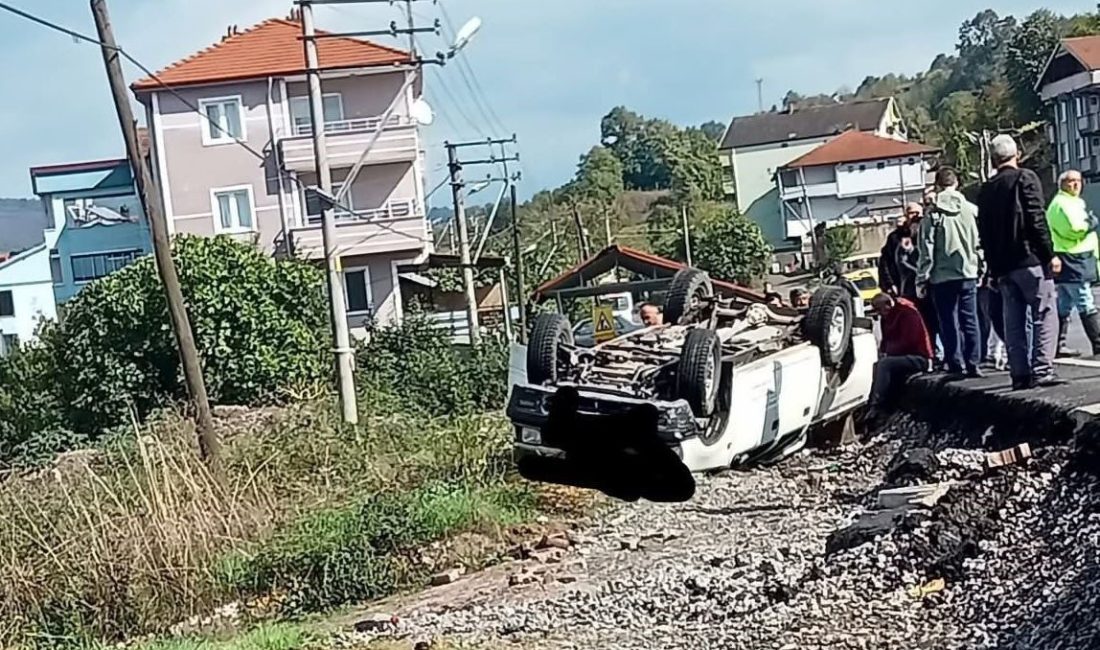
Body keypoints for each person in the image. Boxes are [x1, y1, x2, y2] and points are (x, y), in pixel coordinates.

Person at [976, 135, 1062, 390]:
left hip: (1002, 265)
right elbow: (1036, 219)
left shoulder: (987, 189)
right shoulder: (1025, 178)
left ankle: (1020, 373)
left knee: (1012, 321)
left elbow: (985, 233)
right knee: (1044, 313)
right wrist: (1049, 254)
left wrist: (992, 268)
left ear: (993, 160)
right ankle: (1043, 369)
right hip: (1029, 259)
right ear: (1017, 155)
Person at [917, 167, 983, 377]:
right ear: (957, 183)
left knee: (948, 320)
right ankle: (974, 362)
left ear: (937, 184)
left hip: (941, 275)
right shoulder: (971, 210)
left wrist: (922, 278)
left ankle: (955, 363)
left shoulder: (933, 213)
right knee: (970, 319)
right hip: (968, 271)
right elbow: (979, 242)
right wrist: (981, 266)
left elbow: (926, 248)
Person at [1046, 169, 1100, 358]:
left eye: (1078, 181)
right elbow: (1073, 229)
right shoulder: (1061, 204)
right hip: (1071, 258)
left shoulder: (1074, 202)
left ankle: (1058, 345)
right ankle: (1098, 343)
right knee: (1085, 301)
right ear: (1062, 184)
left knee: (1064, 303)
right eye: (1070, 181)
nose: (1076, 184)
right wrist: (1090, 224)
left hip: (1076, 257)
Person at [867, 293, 933, 418]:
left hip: (920, 358)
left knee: (885, 364)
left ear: (888, 305)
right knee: (879, 364)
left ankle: (877, 405)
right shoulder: (887, 318)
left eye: (879, 310)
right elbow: (885, 341)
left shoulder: (907, 313)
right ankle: (872, 402)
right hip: (902, 356)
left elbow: (909, 341)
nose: (879, 314)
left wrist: (889, 352)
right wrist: (883, 351)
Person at [879, 204, 923, 294]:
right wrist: (889, 283)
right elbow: (885, 262)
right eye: (911, 213)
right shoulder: (895, 238)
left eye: (918, 213)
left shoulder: (929, 235)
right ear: (906, 216)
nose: (915, 216)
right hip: (904, 287)